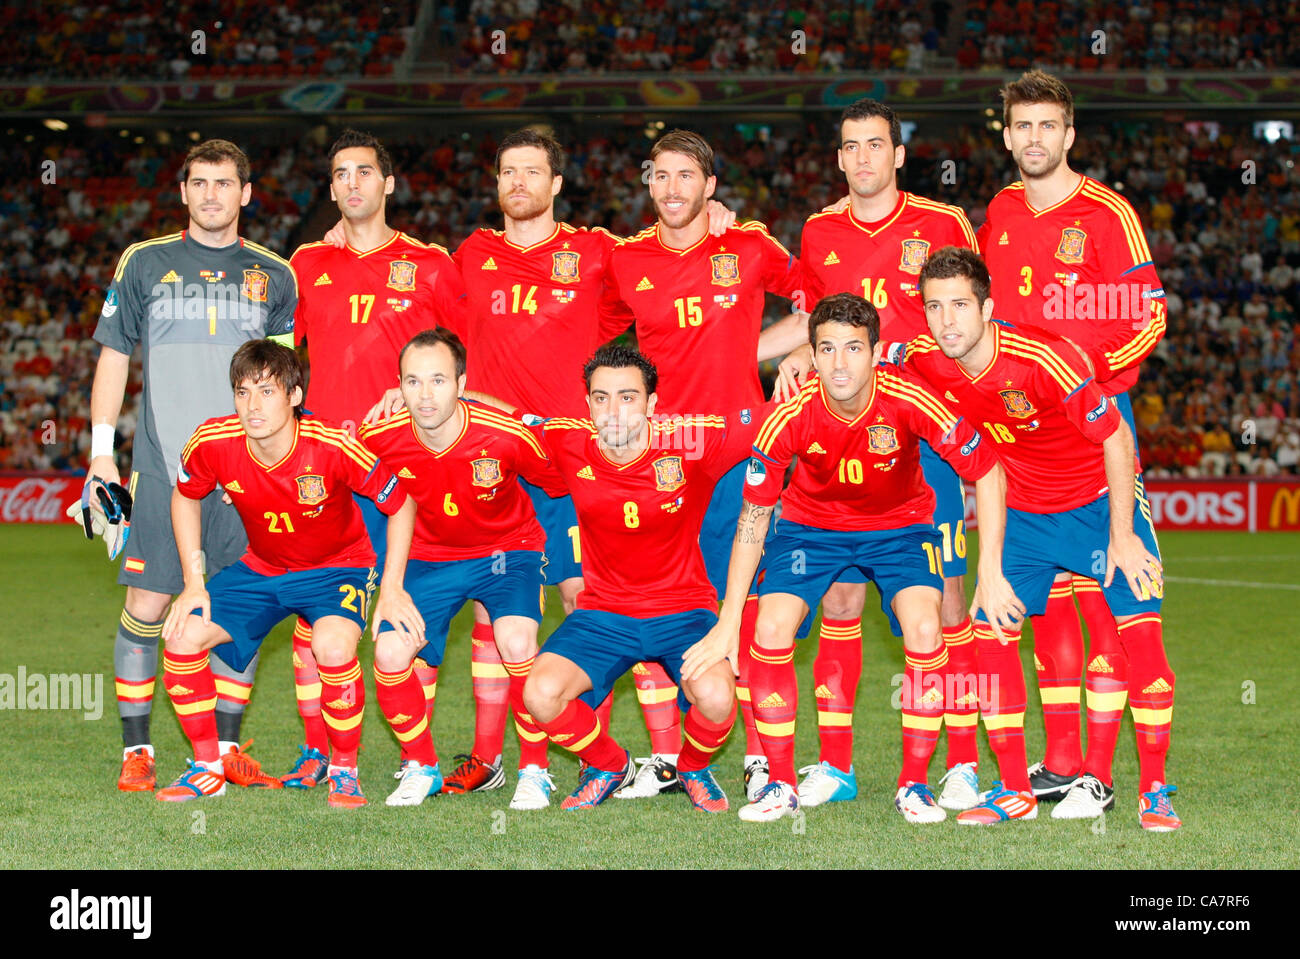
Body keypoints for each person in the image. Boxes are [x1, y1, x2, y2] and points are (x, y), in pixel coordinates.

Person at [356, 128, 738, 795]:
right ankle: (502, 758)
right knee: (494, 613)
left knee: (593, 599)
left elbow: (670, 254)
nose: (519, 183)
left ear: (557, 184)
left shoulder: (596, 252)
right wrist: (408, 379)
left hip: (568, 462)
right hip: (489, 458)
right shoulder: (470, 254)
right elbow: (418, 317)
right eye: (508, 171)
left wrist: (715, 221)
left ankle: (664, 759)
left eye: (533, 172)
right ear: (496, 181)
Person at [692, 292, 1012, 822]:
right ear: (811, 356)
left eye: (854, 349)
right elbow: (753, 518)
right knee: (768, 630)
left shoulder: (910, 397)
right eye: (828, 349)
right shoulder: (789, 414)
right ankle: (781, 784)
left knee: (926, 630)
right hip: (810, 529)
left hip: (900, 529)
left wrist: (991, 568)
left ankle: (914, 784)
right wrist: (729, 620)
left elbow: (986, 467)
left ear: (876, 351)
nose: (840, 363)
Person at [904, 247, 1178, 829]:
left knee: (1142, 640)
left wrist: (1124, 534)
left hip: (1097, 507)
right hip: (1024, 516)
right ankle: (1012, 792)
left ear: (988, 308)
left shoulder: (1043, 359)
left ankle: (1153, 788)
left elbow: (1115, 437)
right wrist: (990, 566)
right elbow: (874, 351)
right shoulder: (927, 360)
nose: (947, 320)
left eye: (959, 305)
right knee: (989, 629)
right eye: (934, 308)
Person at [772, 98, 986, 810]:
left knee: (946, 601)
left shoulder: (942, 224)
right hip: (837, 438)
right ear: (838, 159)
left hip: (924, 436)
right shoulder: (818, 230)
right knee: (838, 596)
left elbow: (975, 322)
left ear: (899, 155)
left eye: (876, 145)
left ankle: (959, 761)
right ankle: (835, 765)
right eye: (850, 147)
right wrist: (789, 359)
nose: (863, 158)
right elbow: (812, 325)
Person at [595, 128, 805, 800]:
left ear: (710, 186)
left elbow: (818, 302)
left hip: (742, 450)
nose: (674, 189)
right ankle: (676, 755)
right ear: (648, 184)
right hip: (663, 460)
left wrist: (780, 355)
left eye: (688, 176)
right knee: (663, 601)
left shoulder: (745, 244)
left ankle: (759, 756)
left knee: (738, 604)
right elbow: (588, 337)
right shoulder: (626, 260)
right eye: (661, 176)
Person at [979, 70, 1168, 803]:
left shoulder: (1105, 213)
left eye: (1047, 126)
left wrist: (1082, 380)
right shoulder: (997, 210)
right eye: (1021, 126)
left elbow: (1149, 316)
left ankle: (1105, 774)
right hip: (1020, 450)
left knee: (1106, 612)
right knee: (1050, 614)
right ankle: (1059, 765)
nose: (1034, 139)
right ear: (1006, 135)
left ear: (1069, 134)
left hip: (1093, 443)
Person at [88, 139, 297, 792]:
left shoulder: (275, 275)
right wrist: (100, 452)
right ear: (182, 192)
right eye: (199, 182)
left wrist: (276, 465)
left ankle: (228, 748)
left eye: (224, 182)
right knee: (147, 604)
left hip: (246, 475)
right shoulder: (144, 263)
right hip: (159, 467)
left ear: (246, 193)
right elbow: (115, 357)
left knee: (240, 607)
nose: (211, 193)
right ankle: (138, 750)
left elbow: (286, 380)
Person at [282, 129, 468, 788]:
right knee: (315, 618)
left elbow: (462, 357)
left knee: (407, 614)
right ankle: (319, 751)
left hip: (406, 472)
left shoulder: (432, 265)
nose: (352, 183)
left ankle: (416, 754)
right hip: (327, 469)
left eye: (365, 170)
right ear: (331, 188)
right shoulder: (306, 262)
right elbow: (277, 360)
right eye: (340, 174)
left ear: (389, 183)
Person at [159, 340, 406, 807]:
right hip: (264, 568)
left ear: (295, 395)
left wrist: (391, 587)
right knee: (181, 637)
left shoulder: (333, 445)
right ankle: (207, 767)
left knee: (331, 646)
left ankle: (344, 769)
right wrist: (194, 582)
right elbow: (185, 494)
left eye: (267, 391)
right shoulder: (213, 440)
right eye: (242, 392)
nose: (252, 406)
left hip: (338, 569)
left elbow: (400, 503)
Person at [521, 344, 757, 812]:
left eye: (627, 397)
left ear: (652, 405)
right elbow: (496, 418)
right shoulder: (567, 441)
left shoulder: (691, 441)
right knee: (539, 694)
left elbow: (772, 418)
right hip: (603, 614)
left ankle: (691, 767)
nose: (613, 410)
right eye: (601, 397)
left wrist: (808, 361)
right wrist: (408, 394)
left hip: (683, 609)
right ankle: (610, 764)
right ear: (586, 403)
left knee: (715, 698)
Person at [360, 329, 561, 809]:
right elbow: (328, 466)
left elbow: (560, 476)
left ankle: (536, 769)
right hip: (429, 557)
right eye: (413, 381)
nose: (425, 395)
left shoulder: (505, 433)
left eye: (438, 381)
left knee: (515, 642)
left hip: (508, 553)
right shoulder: (378, 435)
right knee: (389, 652)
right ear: (398, 386)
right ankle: (421, 765)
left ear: (461, 384)